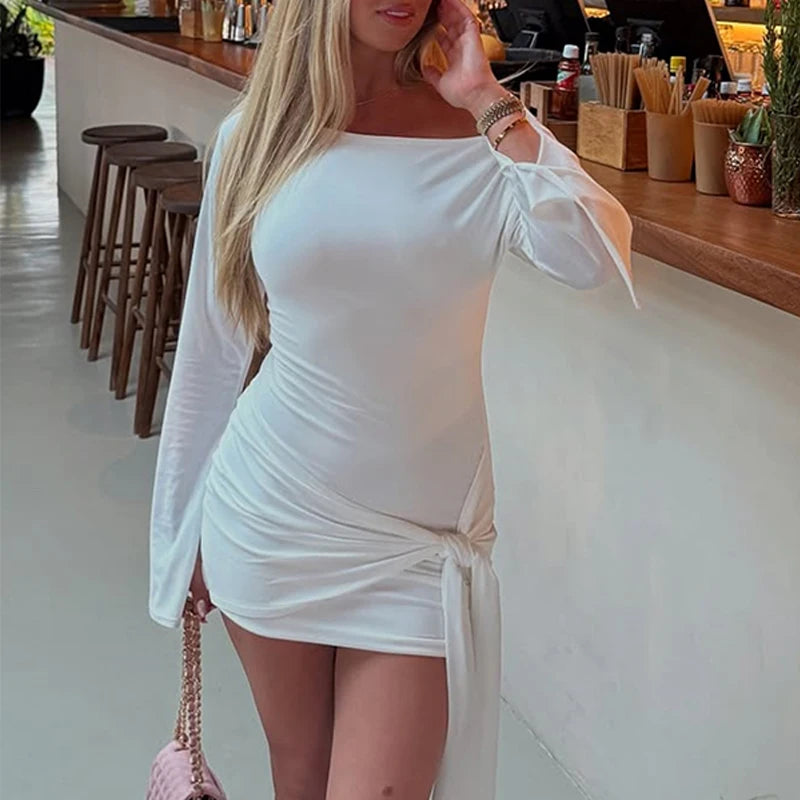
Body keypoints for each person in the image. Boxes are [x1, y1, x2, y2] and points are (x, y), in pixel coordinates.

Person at [148, 0, 640, 797]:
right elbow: (212, 347)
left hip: (417, 551)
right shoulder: (257, 135)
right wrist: (183, 532)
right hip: (271, 514)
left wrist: (487, 100)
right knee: (299, 776)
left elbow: (591, 256)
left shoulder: (482, 138)